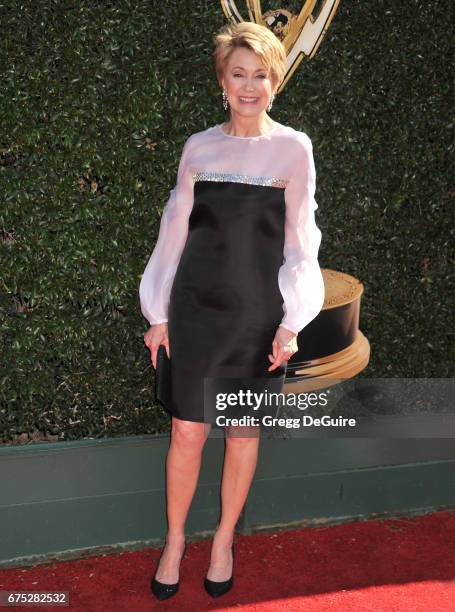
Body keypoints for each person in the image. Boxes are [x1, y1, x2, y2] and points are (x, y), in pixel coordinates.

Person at [139, 21, 325, 600]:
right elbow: (173, 234)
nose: (250, 86)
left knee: (242, 433)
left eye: (260, 75)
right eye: (238, 74)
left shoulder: (294, 149)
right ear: (223, 82)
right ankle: (174, 541)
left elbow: (302, 242)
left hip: (255, 318)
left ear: (275, 82)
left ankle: (222, 540)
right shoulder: (199, 147)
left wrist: (293, 321)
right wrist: (157, 311)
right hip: (194, 310)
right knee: (187, 432)